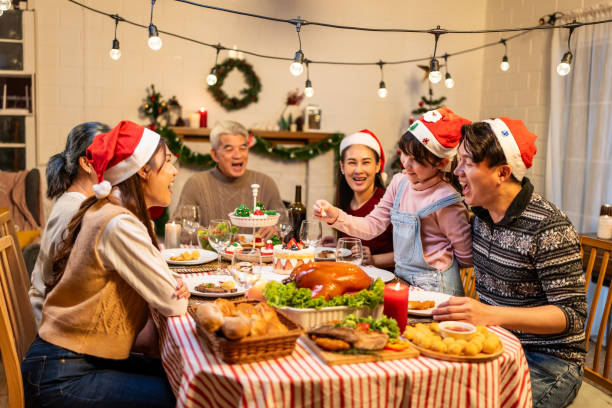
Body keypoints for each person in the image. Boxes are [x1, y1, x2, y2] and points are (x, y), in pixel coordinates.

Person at [22, 121, 189, 408]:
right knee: (184, 396)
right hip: (61, 377)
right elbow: (172, 301)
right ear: (143, 172)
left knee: (179, 376)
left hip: (70, 361)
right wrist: (171, 286)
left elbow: (165, 284)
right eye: (167, 163)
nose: (174, 171)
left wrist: (169, 284)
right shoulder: (118, 224)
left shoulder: (111, 211)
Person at [433, 118, 586, 407]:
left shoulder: (549, 227)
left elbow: (571, 316)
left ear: (502, 172)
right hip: (496, 345)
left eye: (466, 162)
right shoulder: (481, 214)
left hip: (548, 361)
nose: (457, 171)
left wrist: (492, 314)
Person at [314, 107, 472, 295]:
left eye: (417, 160)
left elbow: (466, 257)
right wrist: (336, 216)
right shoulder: (400, 182)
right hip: (403, 282)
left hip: (439, 289)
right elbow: (372, 226)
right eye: (405, 154)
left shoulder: (446, 201)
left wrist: (437, 260)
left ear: (441, 163)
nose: (406, 164)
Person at [28, 121, 110, 325]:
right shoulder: (76, 211)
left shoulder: (74, 201)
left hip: (54, 313)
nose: (115, 163)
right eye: (108, 155)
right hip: (53, 324)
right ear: (86, 163)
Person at [175, 120, 283, 239]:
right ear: (214, 155)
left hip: (256, 257)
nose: (238, 155)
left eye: (243, 148)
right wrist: (217, 235)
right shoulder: (196, 184)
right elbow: (179, 228)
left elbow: (286, 223)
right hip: (214, 257)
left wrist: (276, 229)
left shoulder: (265, 183)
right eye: (229, 149)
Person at [330, 129, 394, 269]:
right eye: (352, 162)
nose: (358, 170)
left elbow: (409, 254)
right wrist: (338, 243)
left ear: (377, 166)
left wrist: (374, 259)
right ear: (342, 167)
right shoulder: (344, 202)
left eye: (366, 162)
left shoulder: (388, 201)